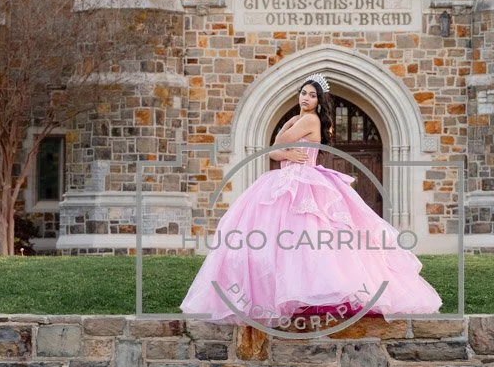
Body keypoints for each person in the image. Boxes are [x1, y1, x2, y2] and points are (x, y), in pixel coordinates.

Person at [180, 75, 441, 324]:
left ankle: (309, 294)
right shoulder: (301, 119)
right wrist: (285, 153)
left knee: (308, 237)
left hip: (304, 181)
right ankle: (292, 295)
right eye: (303, 93)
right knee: (286, 242)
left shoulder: (309, 120)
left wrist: (284, 135)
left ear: (319, 101)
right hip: (287, 179)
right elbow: (273, 154)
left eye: (312, 95)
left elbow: (277, 143)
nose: (305, 98)